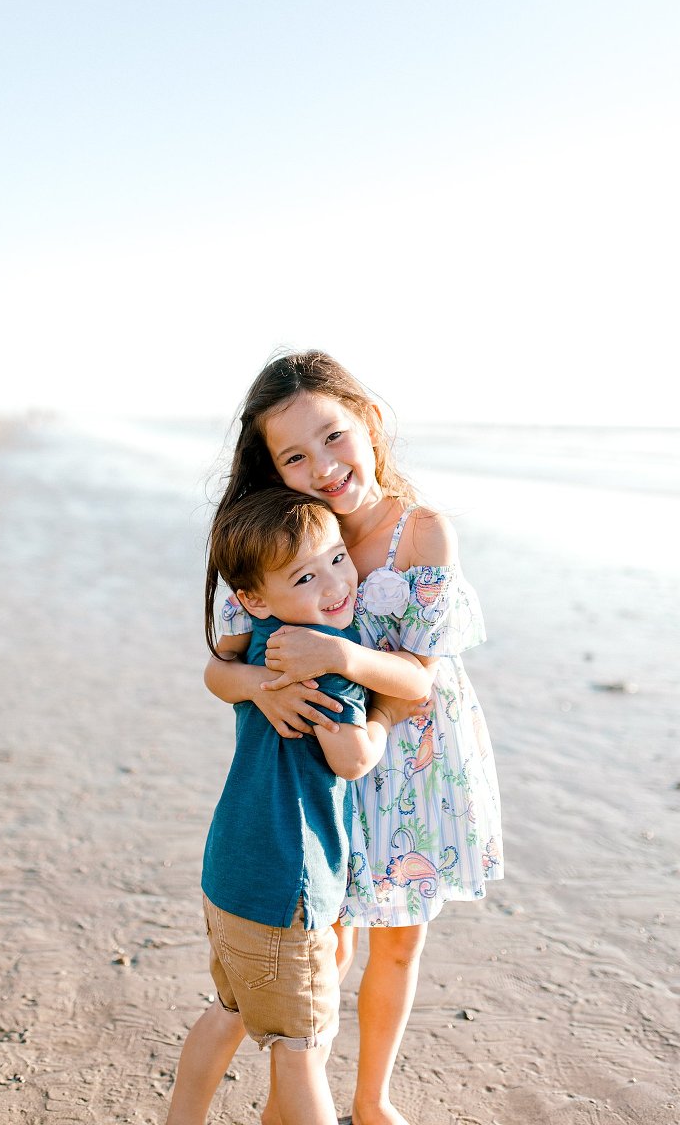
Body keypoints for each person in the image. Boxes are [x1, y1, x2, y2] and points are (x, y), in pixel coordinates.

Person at [204, 350, 503, 1125]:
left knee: (398, 942)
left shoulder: (421, 533)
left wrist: (338, 656)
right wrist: (259, 688)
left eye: (334, 436)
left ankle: (372, 1100)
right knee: (323, 943)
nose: (324, 467)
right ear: (273, 468)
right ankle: (295, 1100)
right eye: (295, 456)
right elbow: (221, 666)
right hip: (321, 774)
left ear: (368, 422)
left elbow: (420, 678)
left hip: (412, 758)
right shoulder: (289, 533)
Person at [166, 487, 406, 1125]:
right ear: (254, 598)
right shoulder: (327, 656)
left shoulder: (259, 641)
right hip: (288, 884)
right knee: (301, 1049)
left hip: (230, 871)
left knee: (230, 1010)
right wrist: (386, 716)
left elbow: (219, 675)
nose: (335, 583)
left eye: (337, 559)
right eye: (306, 577)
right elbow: (351, 758)